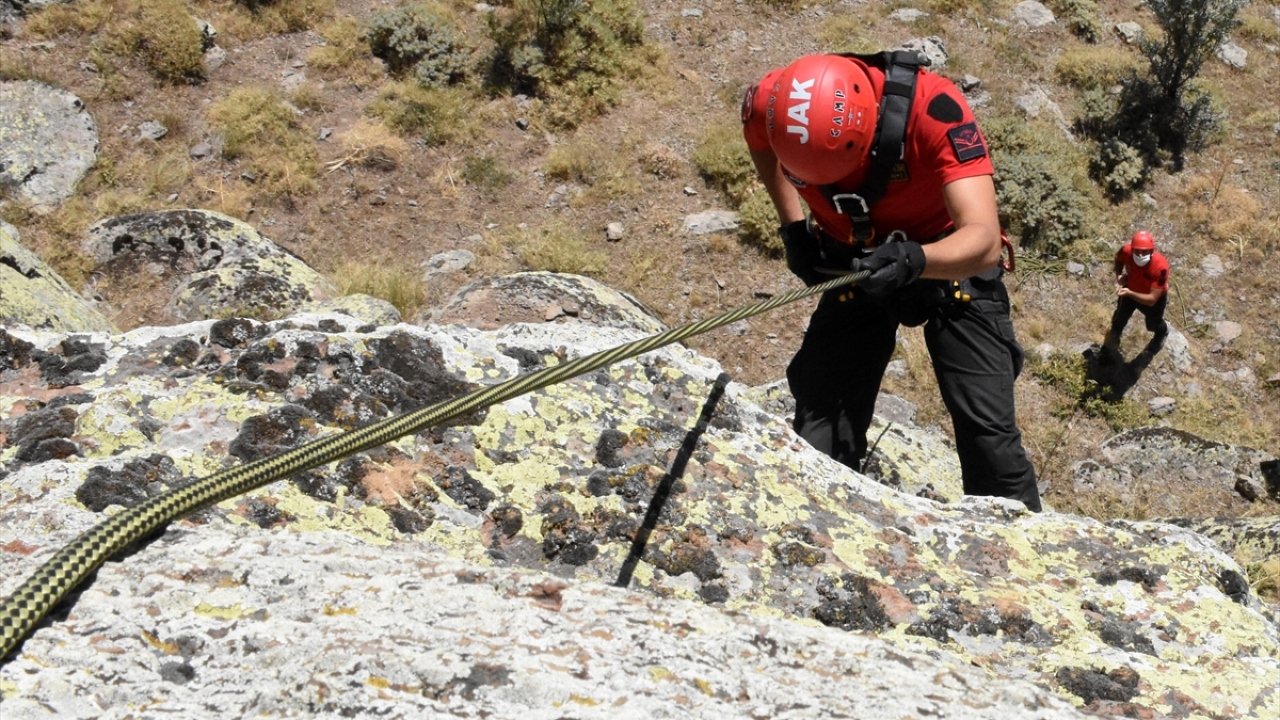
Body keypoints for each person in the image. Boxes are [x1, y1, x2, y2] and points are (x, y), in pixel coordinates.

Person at [741, 52, 1041, 512]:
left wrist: (916, 259)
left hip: (947, 256)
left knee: (988, 438)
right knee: (821, 425)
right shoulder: (774, 102)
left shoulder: (936, 111)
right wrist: (793, 227)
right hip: (856, 256)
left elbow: (982, 241)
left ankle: (1017, 552)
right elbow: (761, 144)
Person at [1104, 230, 1169, 355]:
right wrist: (1119, 276)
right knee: (1119, 317)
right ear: (1132, 249)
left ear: (1151, 251)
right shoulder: (1126, 251)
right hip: (1130, 290)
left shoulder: (1160, 267)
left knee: (1152, 324)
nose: (1140, 255)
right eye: (1137, 251)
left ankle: (1162, 332)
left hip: (1152, 301)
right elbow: (1118, 260)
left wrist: (1129, 293)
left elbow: (1151, 300)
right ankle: (1115, 335)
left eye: (1144, 252)